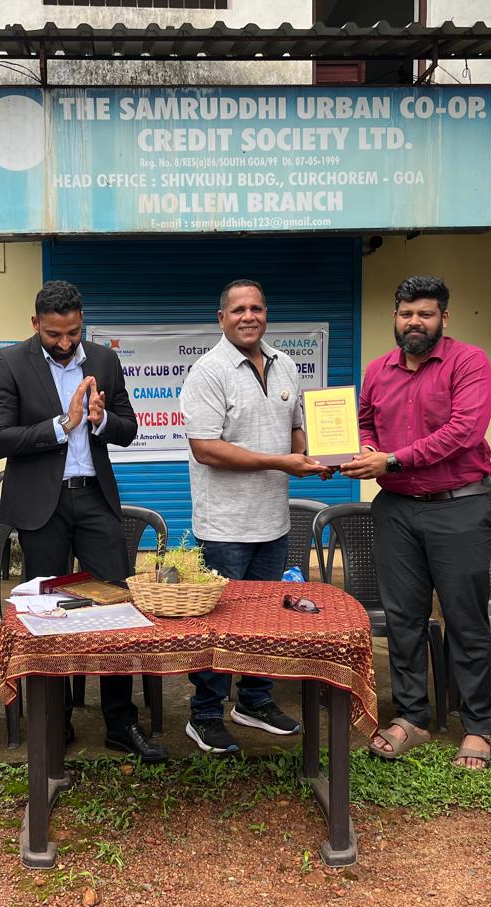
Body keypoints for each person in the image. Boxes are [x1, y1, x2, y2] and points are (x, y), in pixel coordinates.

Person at [0, 280, 168, 763]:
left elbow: (128, 430)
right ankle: (56, 720)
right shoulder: (9, 363)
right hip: (41, 506)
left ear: (81, 320)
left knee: (117, 609)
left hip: (94, 500)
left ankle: (120, 722)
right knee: (48, 615)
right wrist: (63, 425)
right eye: (53, 335)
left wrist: (102, 420)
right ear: (35, 324)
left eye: (72, 333)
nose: (65, 343)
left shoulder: (104, 361)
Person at [341, 276, 491, 770]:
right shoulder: (378, 369)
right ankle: (412, 716)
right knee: (404, 618)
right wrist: (366, 447)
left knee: (465, 617)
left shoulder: (468, 362)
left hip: (459, 506)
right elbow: (365, 421)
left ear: (443, 318)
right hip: (396, 509)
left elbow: (463, 431)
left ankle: (477, 725)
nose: (415, 322)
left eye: (426, 314)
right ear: (395, 316)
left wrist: (391, 460)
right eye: (406, 313)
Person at [179, 278, 327, 753]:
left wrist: (312, 457)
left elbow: (297, 428)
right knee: (217, 622)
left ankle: (255, 700)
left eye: (257, 308)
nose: (249, 316)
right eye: (239, 309)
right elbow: (206, 449)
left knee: (266, 619)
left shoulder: (286, 364)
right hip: (224, 526)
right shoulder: (208, 371)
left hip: (273, 521)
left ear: (266, 314)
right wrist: (282, 462)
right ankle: (205, 713)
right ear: (221, 318)